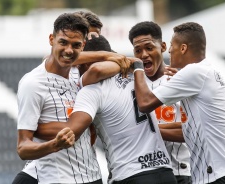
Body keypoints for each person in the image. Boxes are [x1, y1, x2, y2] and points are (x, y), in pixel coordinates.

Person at [35, 35, 177, 184]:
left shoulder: (93, 89)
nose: (75, 69)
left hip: (130, 174)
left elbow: (71, 132)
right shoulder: (137, 75)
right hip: (165, 172)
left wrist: (33, 128)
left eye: (77, 65)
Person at [131, 22, 225, 184]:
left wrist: (137, 67)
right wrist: (150, 130)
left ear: (183, 48)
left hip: (220, 175)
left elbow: (145, 103)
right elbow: (188, 129)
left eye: (172, 46)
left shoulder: (194, 72)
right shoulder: (205, 72)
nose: (170, 51)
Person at [12, 12, 118, 184]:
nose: (69, 50)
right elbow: (23, 148)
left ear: (83, 45)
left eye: (76, 45)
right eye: (63, 42)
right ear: (51, 39)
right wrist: (55, 144)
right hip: (57, 178)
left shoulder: (82, 75)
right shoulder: (33, 84)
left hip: (93, 177)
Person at [128, 21, 192, 184]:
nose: (143, 55)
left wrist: (148, 131)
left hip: (179, 173)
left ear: (163, 46)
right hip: (143, 175)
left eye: (149, 48)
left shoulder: (180, 81)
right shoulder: (129, 85)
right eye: (138, 50)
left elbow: (193, 131)